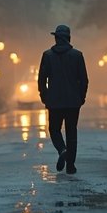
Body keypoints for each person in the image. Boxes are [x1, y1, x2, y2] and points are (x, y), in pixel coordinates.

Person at [37, 24, 89, 174]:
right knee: (72, 132)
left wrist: (45, 97)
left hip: (54, 102)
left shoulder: (47, 55)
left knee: (54, 130)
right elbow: (84, 80)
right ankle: (70, 166)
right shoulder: (77, 55)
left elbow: (41, 80)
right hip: (73, 102)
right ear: (68, 38)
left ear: (56, 38)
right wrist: (81, 97)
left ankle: (62, 150)